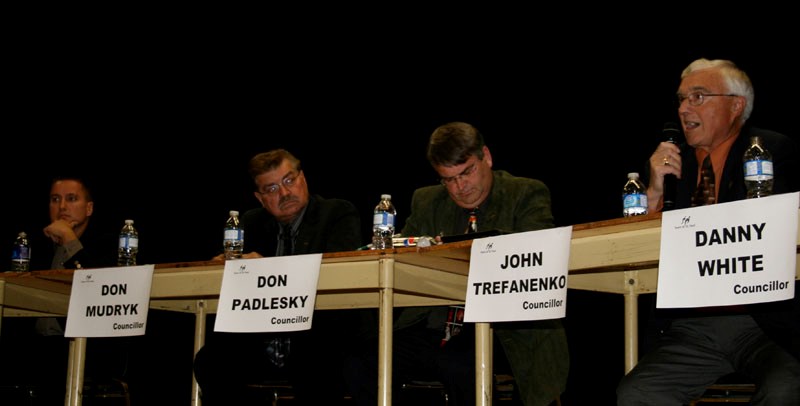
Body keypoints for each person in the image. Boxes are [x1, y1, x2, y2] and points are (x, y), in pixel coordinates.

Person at [345, 122, 569, 406]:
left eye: (467, 172)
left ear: (486, 157)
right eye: (447, 180)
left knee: (458, 363)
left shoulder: (525, 193)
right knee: (361, 364)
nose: (460, 187)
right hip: (434, 325)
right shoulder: (427, 201)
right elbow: (404, 259)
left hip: (507, 328)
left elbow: (537, 261)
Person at [616, 58, 800, 405]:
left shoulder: (771, 151)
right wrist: (654, 192)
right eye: (682, 99)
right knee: (636, 393)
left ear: (736, 105)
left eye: (698, 97)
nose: (685, 108)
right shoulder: (669, 166)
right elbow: (631, 249)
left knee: (786, 389)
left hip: (761, 320)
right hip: (692, 327)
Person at [193, 148, 363, 406]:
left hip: (318, 334)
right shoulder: (250, 223)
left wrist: (266, 268)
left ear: (303, 178)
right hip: (261, 339)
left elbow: (337, 274)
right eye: (271, 189)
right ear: (260, 198)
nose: (284, 193)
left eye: (289, 180)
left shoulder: (336, 213)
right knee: (211, 360)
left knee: (316, 359)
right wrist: (223, 269)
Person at [0, 175, 123, 402]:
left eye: (71, 199)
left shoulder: (106, 244)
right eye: (55, 199)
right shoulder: (32, 246)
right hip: (33, 347)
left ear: (89, 208)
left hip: (85, 347)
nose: (62, 207)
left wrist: (69, 239)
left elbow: (97, 290)